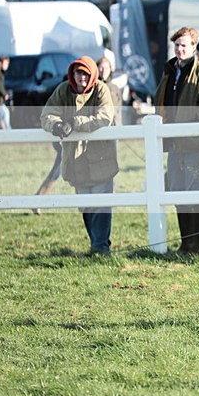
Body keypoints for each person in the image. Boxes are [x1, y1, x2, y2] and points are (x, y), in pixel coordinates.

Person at [40, 56, 118, 255]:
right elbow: (47, 114)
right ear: (72, 74)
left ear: (92, 74)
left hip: (101, 158)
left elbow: (104, 117)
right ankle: (97, 245)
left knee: (101, 205)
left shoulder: (101, 89)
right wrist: (56, 124)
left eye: (85, 73)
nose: (81, 77)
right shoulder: (63, 89)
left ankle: (100, 247)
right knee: (85, 205)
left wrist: (74, 123)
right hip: (75, 159)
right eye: (78, 73)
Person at [156, 27, 199, 256]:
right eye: (177, 45)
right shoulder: (168, 72)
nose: (180, 49)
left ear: (194, 47)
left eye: (184, 45)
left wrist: (190, 118)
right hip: (174, 143)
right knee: (177, 193)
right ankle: (186, 244)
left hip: (197, 144)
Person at [97, 57, 122, 126]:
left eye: (107, 68)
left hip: (113, 125)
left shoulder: (115, 88)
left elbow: (117, 110)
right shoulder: (93, 87)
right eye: (101, 68)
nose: (104, 71)